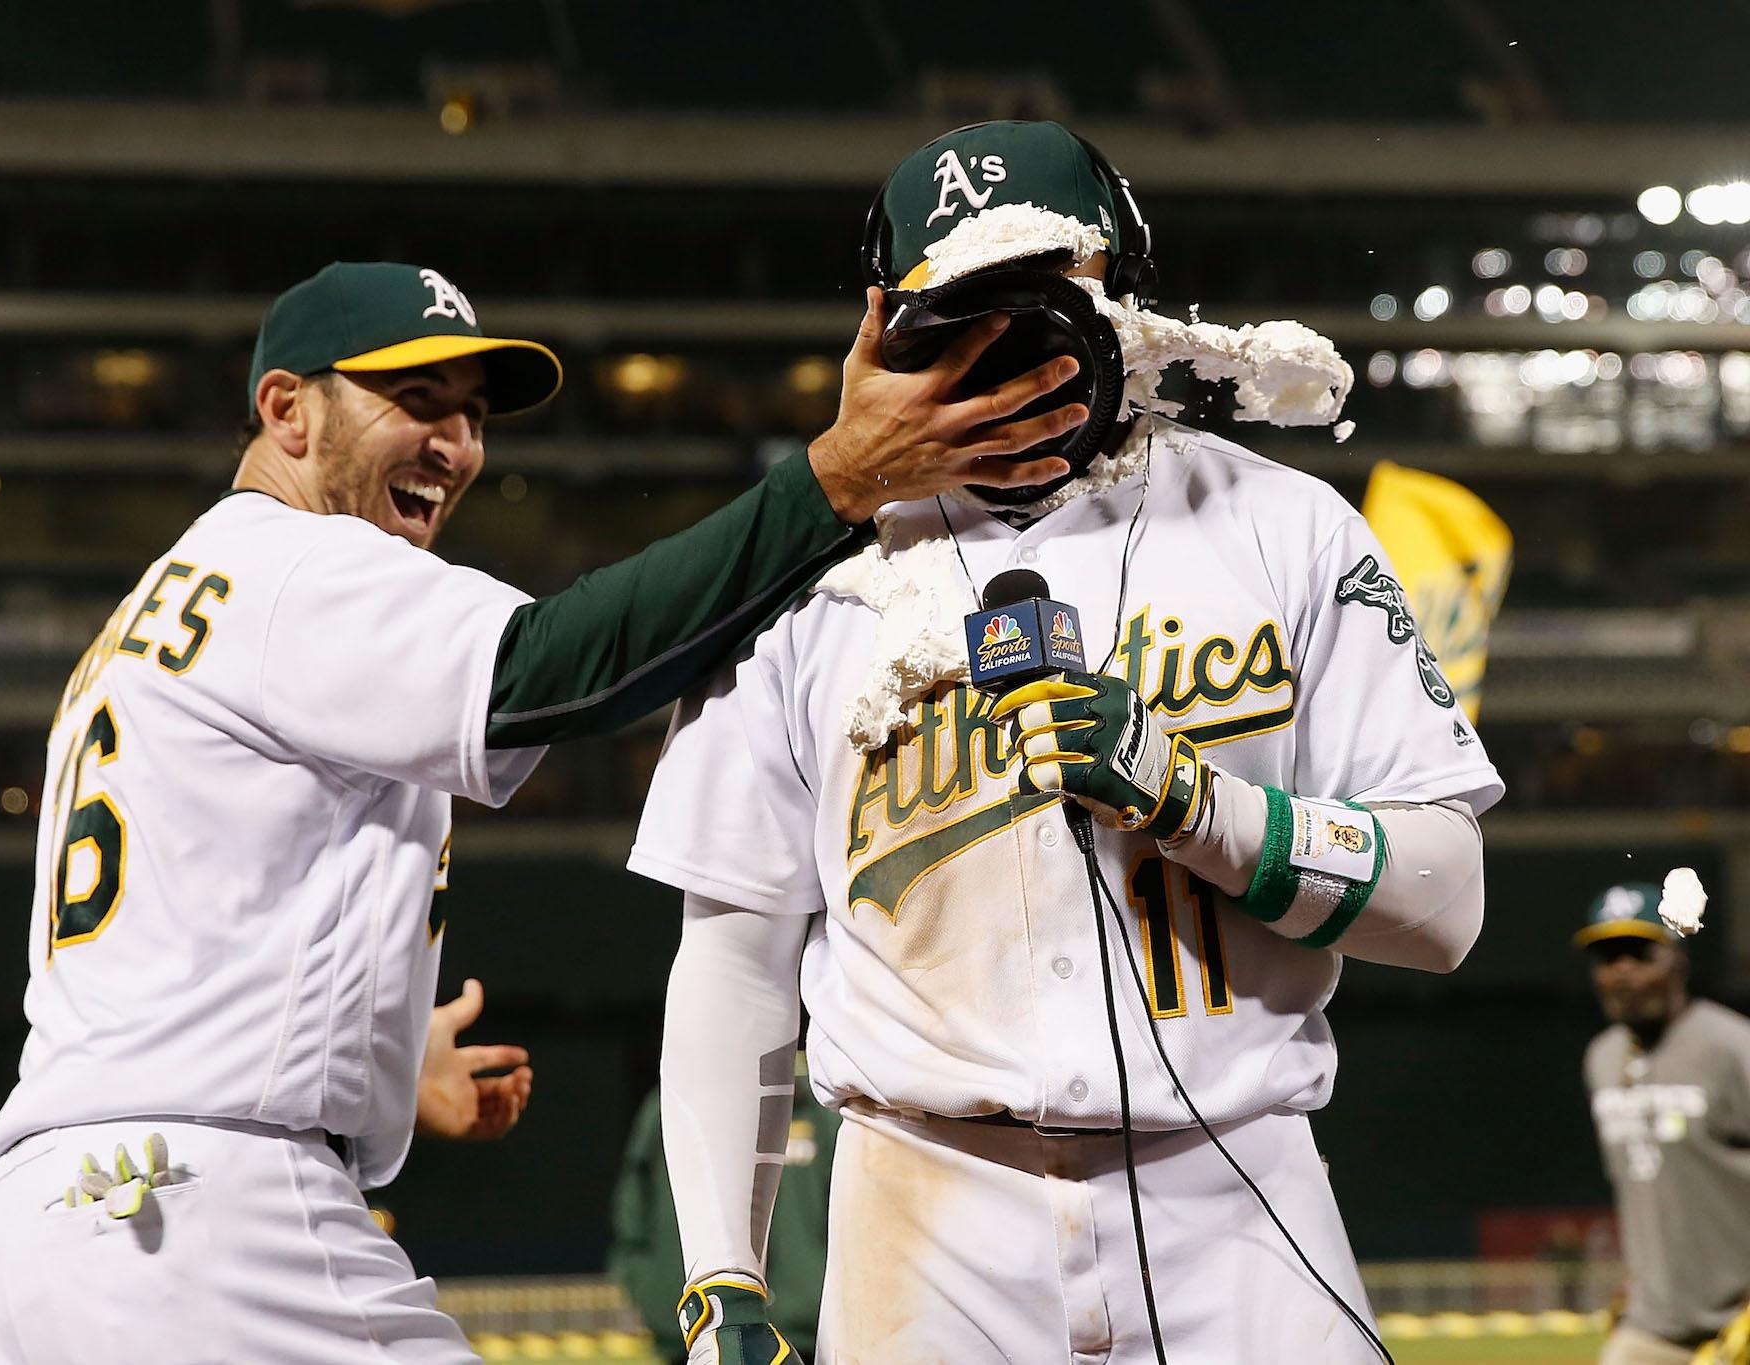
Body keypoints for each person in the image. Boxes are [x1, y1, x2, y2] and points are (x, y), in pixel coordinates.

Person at [0, 258, 1088, 1365]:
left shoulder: (166, 606)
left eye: (473, 414)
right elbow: (555, 669)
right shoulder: (289, 567)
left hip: (53, 1226)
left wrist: (373, 1066)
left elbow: (201, 915)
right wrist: (832, 482)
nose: (455, 443)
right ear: (286, 410)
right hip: (201, 1223)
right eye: (414, 398)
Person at [629, 121, 1504, 1364]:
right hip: (919, 1211)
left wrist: (1195, 806)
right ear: (886, 332)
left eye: (1047, 302)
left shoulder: (1289, 528)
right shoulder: (800, 577)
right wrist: (721, 1268)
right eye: (962, 317)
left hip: (1235, 1190)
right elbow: (735, 956)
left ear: (1127, 302)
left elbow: (1446, 903)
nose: (1011, 354)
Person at [1577, 883, 1750, 1365]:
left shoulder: (1731, 1048)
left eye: (1638, 953)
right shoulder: (1603, 1059)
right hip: (1658, 1325)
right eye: (1608, 958)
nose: (1623, 971)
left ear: (1677, 958)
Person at [612, 1059, 840, 1361]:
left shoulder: (822, 1115)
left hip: (805, 1331)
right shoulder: (673, 1106)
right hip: (695, 1325)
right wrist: (650, 1291)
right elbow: (633, 1209)